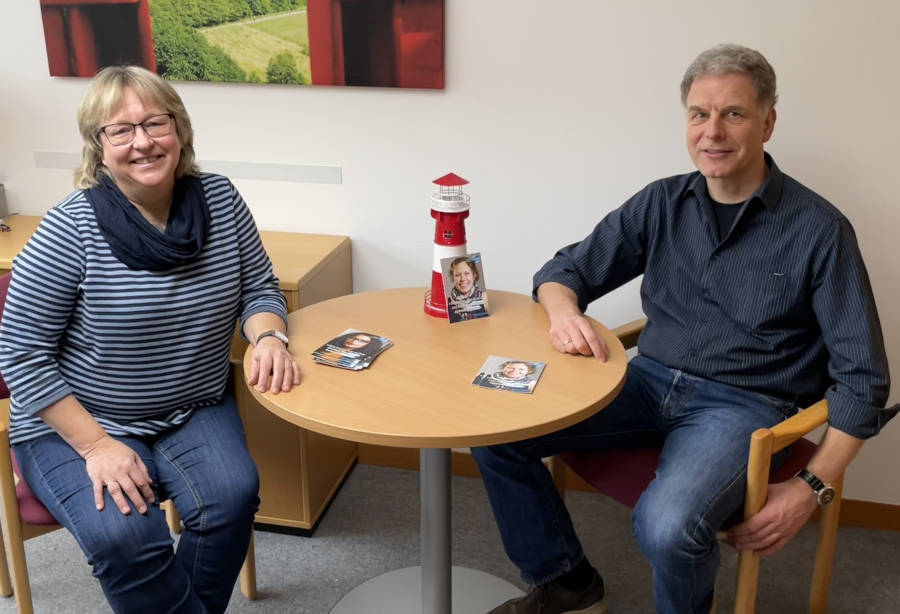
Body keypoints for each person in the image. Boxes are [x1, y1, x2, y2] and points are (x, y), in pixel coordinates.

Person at [472, 44, 896, 614]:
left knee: (667, 528)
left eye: (734, 114)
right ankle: (566, 579)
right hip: (642, 380)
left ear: (768, 122)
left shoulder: (821, 230)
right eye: (699, 114)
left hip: (745, 406)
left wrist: (809, 489)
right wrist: (565, 312)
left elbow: (863, 380)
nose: (712, 131)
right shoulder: (662, 202)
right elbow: (562, 271)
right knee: (495, 429)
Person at [0, 65, 300, 614]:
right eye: (120, 130)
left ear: (179, 130)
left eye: (155, 123)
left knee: (230, 501)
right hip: (77, 420)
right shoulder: (71, 227)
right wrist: (94, 446)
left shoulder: (220, 200)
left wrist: (269, 338)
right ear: (99, 145)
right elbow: (21, 354)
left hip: (193, 406)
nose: (142, 142)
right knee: (127, 539)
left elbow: (258, 286)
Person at [447, 256, 489, 322]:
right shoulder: (448, 303)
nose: (463, 279)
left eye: (467, 273)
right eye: (457, 275)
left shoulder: (484, 298)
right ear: (453, 278)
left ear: (474, 275)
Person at [474, 360, 539, 393]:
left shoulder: (531, 384)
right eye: (510, 368)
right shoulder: (486, 377)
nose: (514, 371)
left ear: (528, 371)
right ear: (503, 368)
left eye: (521, 369)